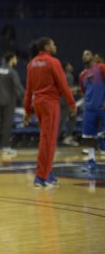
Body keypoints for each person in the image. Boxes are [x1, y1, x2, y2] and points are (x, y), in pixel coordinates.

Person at [23, 37, 75, 187]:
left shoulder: (32, 64)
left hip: (37, 103)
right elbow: (64, 85)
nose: (55, 46)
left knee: (47, 138)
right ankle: (41, 176)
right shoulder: (53, 62)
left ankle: (48, 172)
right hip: (50, 103)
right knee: (48, 140)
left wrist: (27, 111)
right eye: (53, 44)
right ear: (47, 47)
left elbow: (28, 91)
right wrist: (72, 102)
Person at [0, 52, 24, 156]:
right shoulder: (12, 71)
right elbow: (17, 85)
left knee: (2, 122)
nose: (16, 61)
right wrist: (26, 96)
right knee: (7, 124)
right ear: (12, 59)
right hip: (9, 101)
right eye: (15, 58)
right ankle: (6, 147)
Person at [79, 50, 105, 174]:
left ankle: (101, 137)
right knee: (89, 137)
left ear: (94, 57)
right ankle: (91, 161)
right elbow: (84, 92)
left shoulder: (101, 68)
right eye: (83, 54)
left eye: (88, 53)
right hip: (89, 109)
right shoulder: (82, 75)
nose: (85, 55)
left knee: (102, 135)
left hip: (102, 106)